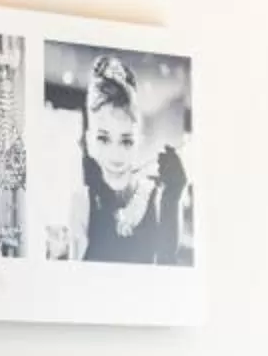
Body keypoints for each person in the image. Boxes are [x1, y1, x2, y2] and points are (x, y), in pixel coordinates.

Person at [49, 53, 192, 265]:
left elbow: (167, 272)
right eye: (103, 138)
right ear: (89, 141)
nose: (115, 156)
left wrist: (172, 198)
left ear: (138, 142)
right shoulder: (82, 202)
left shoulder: (160, 198)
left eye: (125, 141)